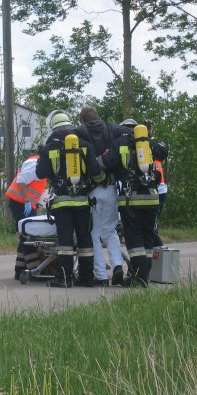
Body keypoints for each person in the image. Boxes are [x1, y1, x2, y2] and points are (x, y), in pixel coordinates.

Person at [36, 111, 107, 287]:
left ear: (52, 127)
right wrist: (107, 181)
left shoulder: (49, 147)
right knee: (85, 238)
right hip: (83, 200)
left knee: (66, 239)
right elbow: (96, 173)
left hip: (61, 202)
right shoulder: (84, 145)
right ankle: (86, 278)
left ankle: (65, 278)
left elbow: (40, 173)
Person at [99, 123, 169, 287]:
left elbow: (105, 162)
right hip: (152, 199)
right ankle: (143, 274)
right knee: (148, 237)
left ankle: (139, 278)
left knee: (134, 239)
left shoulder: (119, 143)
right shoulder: (149, 143)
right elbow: (163, 152)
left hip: (131, 201)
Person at [74, 107, 128, 285]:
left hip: (92, 189)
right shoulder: (110, 129)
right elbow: (127, 131)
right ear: (97, 117)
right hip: (111, 188)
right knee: (110, 230)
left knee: (94, 232)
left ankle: (101, 275)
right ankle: (118, 265)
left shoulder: (81, 132)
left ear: (82, 120)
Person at [6, 153, 47, 280]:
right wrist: (27, 200)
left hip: (21, 203)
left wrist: (37, 202)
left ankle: (20, 270)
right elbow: (21, 180)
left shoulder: (36, 162)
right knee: (28, 236)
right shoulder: (38, 166)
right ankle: (33, 270)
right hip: (21, 203)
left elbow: (34, 186)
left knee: (25, 235)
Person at [145, 121, 168, 247]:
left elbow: (164, 152)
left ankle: (161, 254)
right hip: (151, 190)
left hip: (159, 189)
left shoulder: (155, 144)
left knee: (151, 227)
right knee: (149, 227)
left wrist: (146, 140)